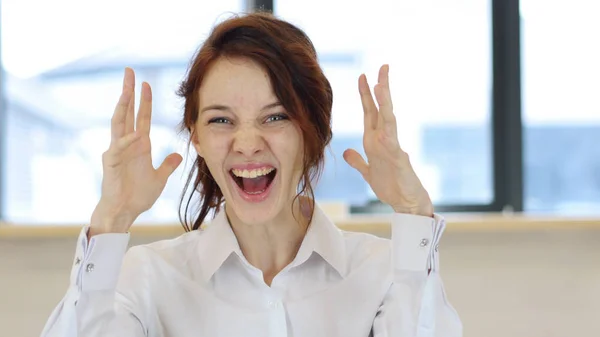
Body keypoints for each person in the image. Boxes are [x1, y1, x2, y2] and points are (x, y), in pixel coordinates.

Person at [40, 12, 462, 337]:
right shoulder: (145, 277)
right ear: (197, 140)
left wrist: (412, 210)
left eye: (274, 116)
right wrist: (111, 220)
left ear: (311, 131)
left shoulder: (385, 271)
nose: (246, 142)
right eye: (221, 121)